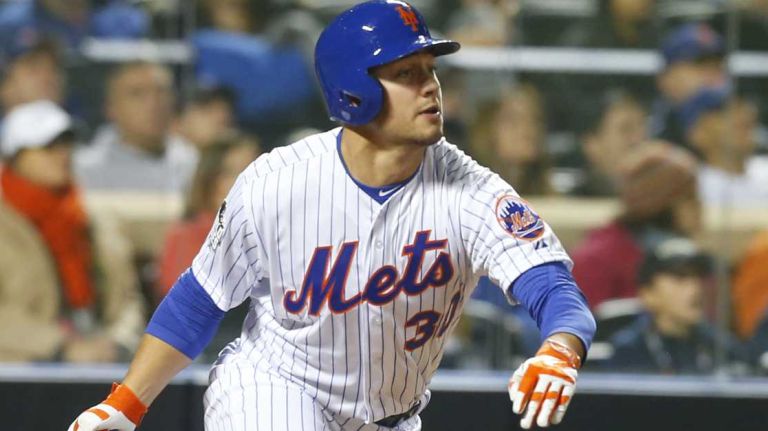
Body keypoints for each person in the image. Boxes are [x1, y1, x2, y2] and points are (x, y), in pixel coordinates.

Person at [68, 2, 595, 431]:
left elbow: (555, 291)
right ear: (353, 90)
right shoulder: (278, 180)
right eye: (406, 73)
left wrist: (560, 349)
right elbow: (199, 300)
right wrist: (126, 403)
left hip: (392, 417)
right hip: (273, 388)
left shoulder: (472, 191)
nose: (431, 87)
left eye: (431, 71)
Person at [0, 100, 144, 362]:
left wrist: (119, 342)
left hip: (101, 360)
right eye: (48, 147)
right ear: (15, 157)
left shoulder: (92, 219)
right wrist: (59, 346)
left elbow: (127, 298)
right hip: (20, 372)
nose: (62, 154)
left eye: (66, 145)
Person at [572, 142, 701, 310]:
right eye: (689, 198)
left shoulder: (689, 257)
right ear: (659, 203)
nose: (700, 209)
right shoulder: (598, 259)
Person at [605, 236, 746, 374]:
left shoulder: (723, 349)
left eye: (698, 277)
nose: (695, 289)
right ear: (649, 294)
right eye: (680, 279)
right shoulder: (629, 352)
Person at [155, 134, 261, 301]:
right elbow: (182, 303)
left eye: (255, 170)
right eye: (233, 172)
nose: (249, 181)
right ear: (209, 182)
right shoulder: (186, 234)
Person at [74, 61, 198, 194]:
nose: (153, 104)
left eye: (162, 92)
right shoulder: (83, 171)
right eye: (137, 94)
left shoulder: (194, 165)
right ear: (111, 109)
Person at [681, 87, 768, 208]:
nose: (743, 116)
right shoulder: (692, 187)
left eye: (741, 108)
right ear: (697, 133)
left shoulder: (764, 169)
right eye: (723, 112)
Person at [650, 23, 727, 147]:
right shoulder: (646, 134)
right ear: (666, 77)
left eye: (717, 66)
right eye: (700, 66)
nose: (712, 75)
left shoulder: (744, 136)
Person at [469, 84, 552, 195]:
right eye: (513, 120)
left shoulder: (546, 192)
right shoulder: (467, 194)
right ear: (487, 129)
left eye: (535, 119)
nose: (528, 128)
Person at [573, 89, 649, 196]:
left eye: (643, 128)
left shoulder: (666, 202)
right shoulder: (563, 207)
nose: (639, 139)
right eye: (626, 129)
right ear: (592, 145)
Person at [172, 87, 236, 150]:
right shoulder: (172, 152)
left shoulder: (236, 151)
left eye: (227, 112)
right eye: (210, 111)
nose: (222, 118)